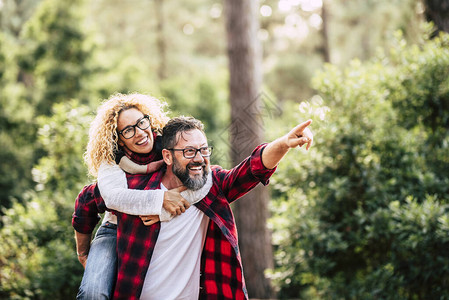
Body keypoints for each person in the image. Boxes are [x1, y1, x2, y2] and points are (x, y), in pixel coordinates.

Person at [73, 115, 313, 299]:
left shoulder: (212, 187)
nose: (199, 158)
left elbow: (252, 169)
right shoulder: (135, 190)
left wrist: (284, 144)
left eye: (204, 149)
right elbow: (87, 200)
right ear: (167, 156)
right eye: (189, 151)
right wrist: (83, 251)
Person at [73, 93, 210, 299]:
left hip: (152, 227)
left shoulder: (168, 145)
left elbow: (205, 176)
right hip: (115, 227)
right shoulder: (111, 162)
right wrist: (83, 252)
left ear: (149, 119)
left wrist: (166, 210)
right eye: (128, 130)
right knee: (93, 291)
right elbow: (111, 198)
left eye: (141, 123)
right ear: (117, 138)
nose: (139, 133)